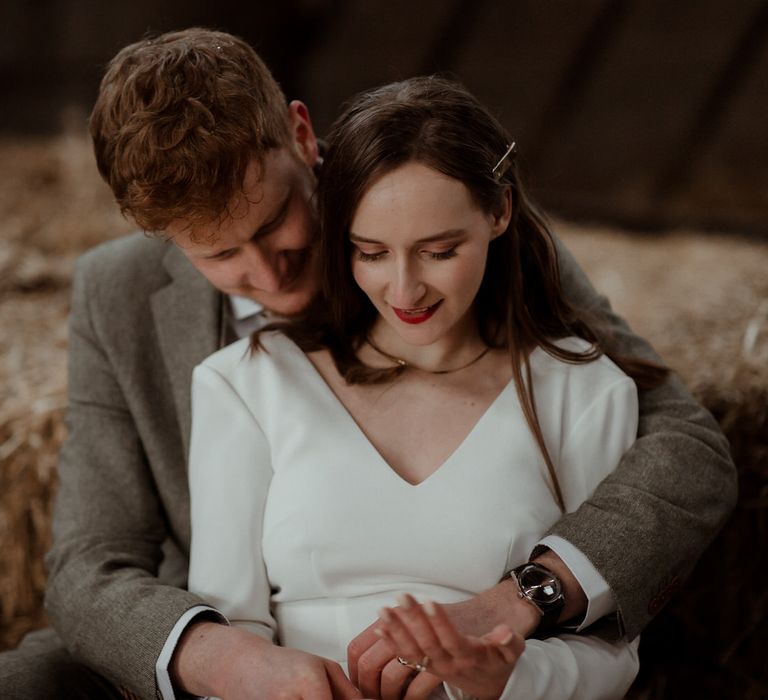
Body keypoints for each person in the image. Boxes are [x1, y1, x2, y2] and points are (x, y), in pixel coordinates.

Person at [0, 27, 735, 700]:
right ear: (166, 238)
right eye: (219, 254)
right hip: (223, 632)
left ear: (300, 135)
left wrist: (523, 600)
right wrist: (230, 659)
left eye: (273, 222)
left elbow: (683, 443)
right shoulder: (119, 293)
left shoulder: (435, 211)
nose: (268, 272)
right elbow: (90, 563)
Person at [186, 74, 655, 699]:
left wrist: (508, 678)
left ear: (499, 211)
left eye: (438, 250)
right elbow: (229, 629)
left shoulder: (582, 390)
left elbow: (609, 649)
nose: (404, 292)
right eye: (371, 253)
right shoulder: (246, 382)